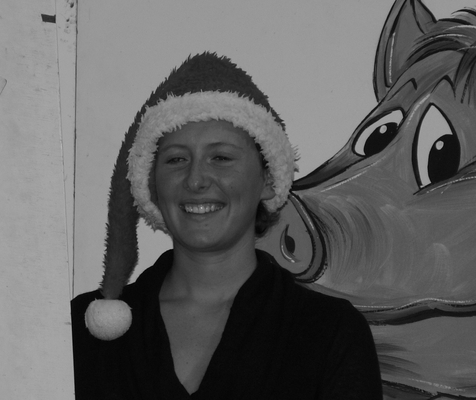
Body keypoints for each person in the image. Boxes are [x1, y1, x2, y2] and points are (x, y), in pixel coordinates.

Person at [71, 52, 382, 399]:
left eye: (220, 157)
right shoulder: (77, 329)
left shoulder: (329, 332)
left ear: (268, 180)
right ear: (152, 185)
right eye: (176, 159)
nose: (196, 179)